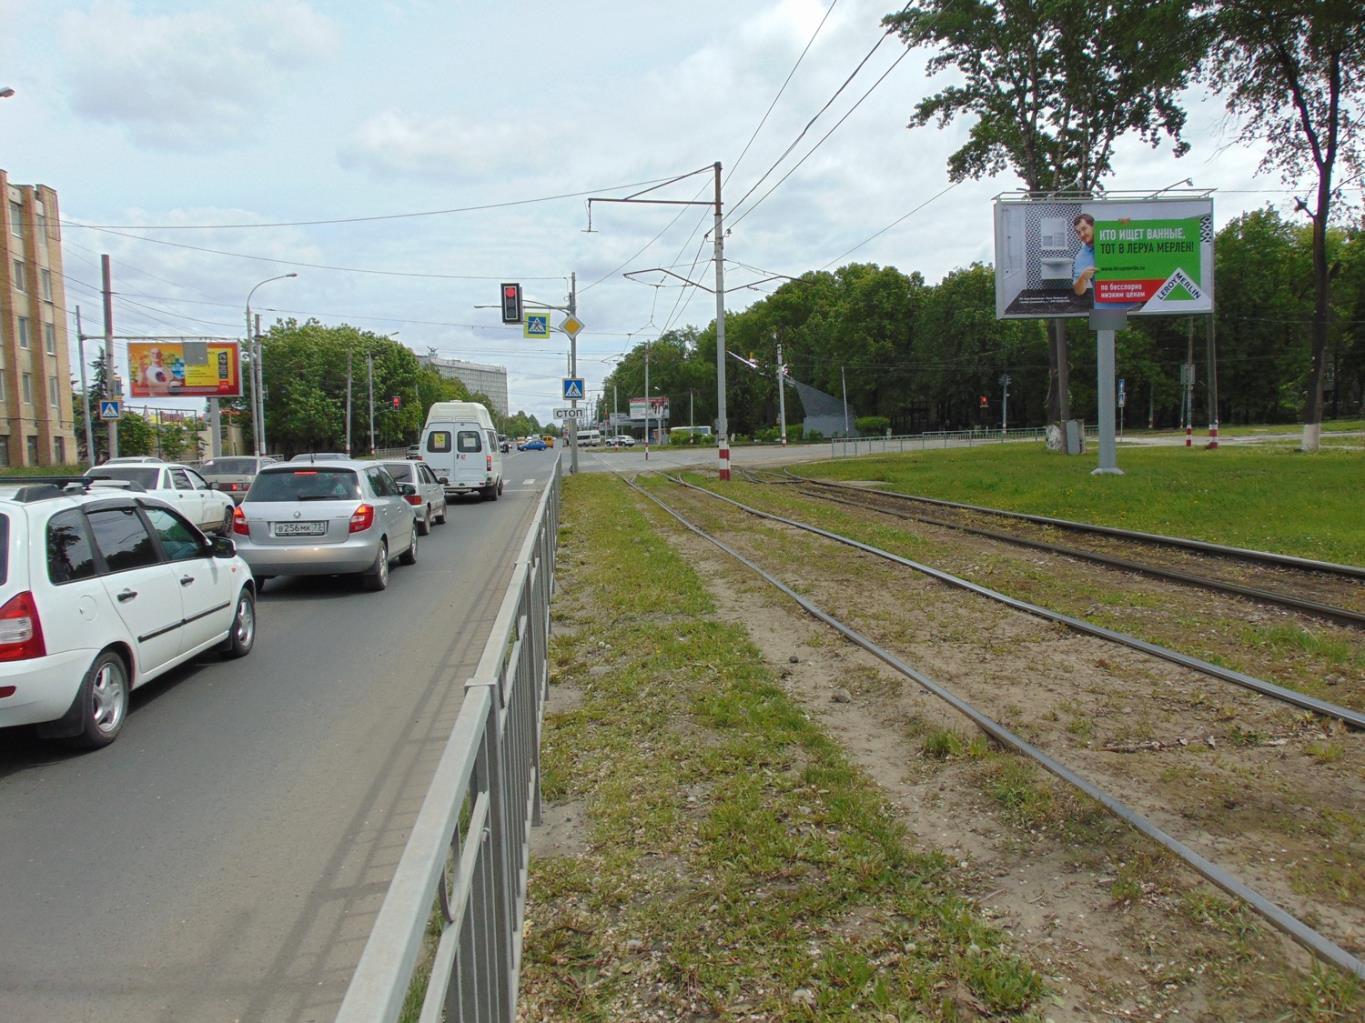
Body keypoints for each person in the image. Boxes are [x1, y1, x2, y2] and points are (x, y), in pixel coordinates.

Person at [1072, 213, 1097, 297]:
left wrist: (1125, 225)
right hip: (1105, 305)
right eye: (1078, 232)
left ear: (1094, 226)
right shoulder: (1081, 257)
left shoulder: (1113, 238)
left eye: (1084, 229)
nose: (1082, 234)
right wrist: (1082, 278)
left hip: (1137, 301)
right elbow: (1078, 291)